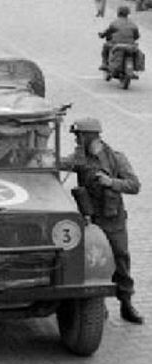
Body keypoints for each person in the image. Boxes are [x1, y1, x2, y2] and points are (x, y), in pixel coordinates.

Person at [61, 118, 143, 324]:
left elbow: (134, 185)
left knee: (120, 258)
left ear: (90, 136)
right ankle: (98, 303)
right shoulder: (80, 159)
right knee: (93, 260)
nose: (77, 141)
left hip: (113, 218)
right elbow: (63, 163)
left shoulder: (116, 158)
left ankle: (126, 302)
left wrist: (111, 182)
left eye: (79, 136)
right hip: (91, 219)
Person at [99, 6, 140, 70]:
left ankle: (104, 63)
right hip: (130, 45)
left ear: (118, 13)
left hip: (116, 44)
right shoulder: (133, 24)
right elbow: (137, 36)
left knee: (105, 46)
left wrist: (102, 35)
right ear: (127, 14)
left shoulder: (114, 23)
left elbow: (107, 32)